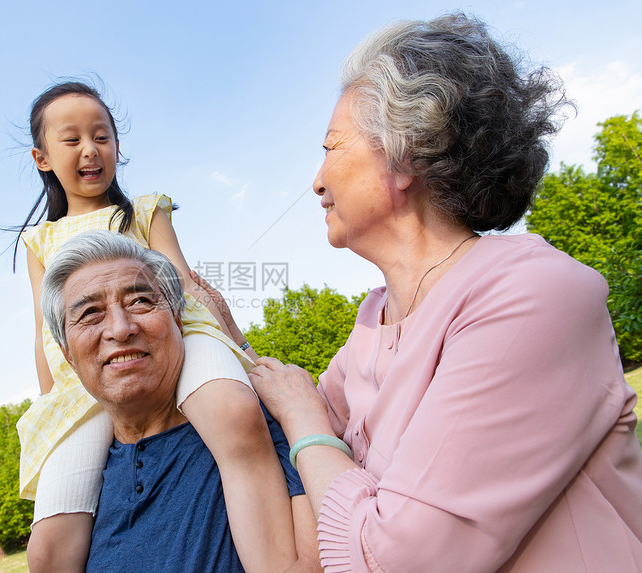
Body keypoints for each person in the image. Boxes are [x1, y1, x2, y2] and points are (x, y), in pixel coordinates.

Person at [197, 13, 642, 572]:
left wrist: (307, 422)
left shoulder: (532, 294)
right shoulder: (373, 322)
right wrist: (220, 329)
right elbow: (284, 401)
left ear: (405, 152)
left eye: (332, 147)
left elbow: (397, 559)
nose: (316, 179)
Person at [12, 80, 296, 572]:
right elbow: (45, 329)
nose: (90, 150)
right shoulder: (40, 242)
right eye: (72, 139)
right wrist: (50, 399)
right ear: (42, 158)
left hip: (177, 333)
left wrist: (243, 352)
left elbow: (184, 284)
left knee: (233, 413)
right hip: (85, 378)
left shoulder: (144, 210)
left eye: (102, 136)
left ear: (117, 146)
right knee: (49, 547)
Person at [38, 230, 320, 572]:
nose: (120, 328)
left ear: (177, 319)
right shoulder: (78, 492)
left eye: (140, 301)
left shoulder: (274, 430)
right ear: (67, 354)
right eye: (90, 313)